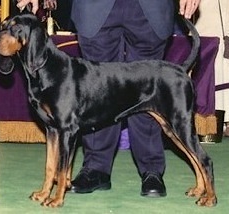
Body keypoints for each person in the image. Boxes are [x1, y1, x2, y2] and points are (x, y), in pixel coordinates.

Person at [17, 0, 200, 197]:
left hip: (150, 7)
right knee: (94, 90)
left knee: (149, 88)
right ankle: (96, 169)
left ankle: (151, 169)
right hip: (95, 8)